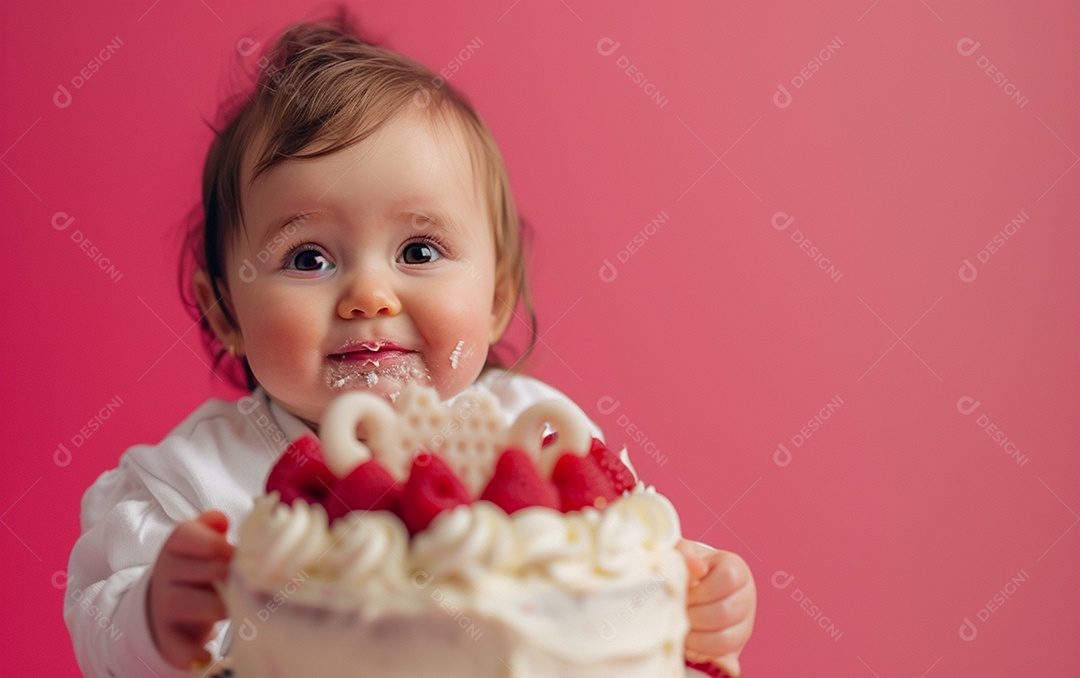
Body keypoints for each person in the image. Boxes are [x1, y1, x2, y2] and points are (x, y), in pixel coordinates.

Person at [65, 14, 756, 677]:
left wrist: (699, 599)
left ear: (495, 299)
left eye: (419, 250)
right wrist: (153, 621)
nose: (370, 294)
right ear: (225, 311)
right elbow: (102, 631)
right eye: (308, 258)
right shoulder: (188, 485)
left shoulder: (538, 439)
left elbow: (619, 582)